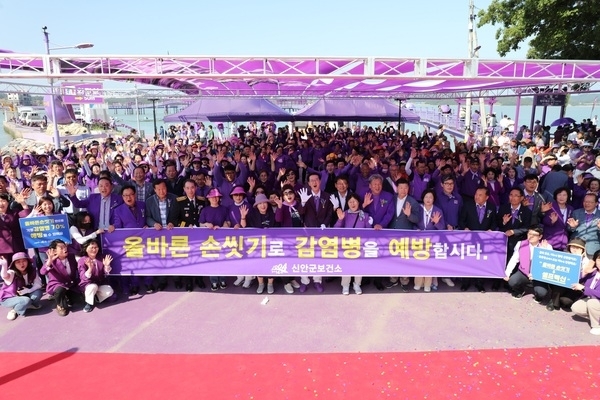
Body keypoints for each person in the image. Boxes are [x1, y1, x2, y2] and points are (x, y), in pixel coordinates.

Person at [458, 187, 498, 292]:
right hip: (469, 239)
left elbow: (494, 222)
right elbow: (461, 221)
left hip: (484, 240)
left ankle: (479, 283)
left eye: (480, 195)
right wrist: (465, 228)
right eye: (476, 194)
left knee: (481, 262)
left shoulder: (491, 207)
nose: (477, 196)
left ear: (487, 197)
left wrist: (491, 229)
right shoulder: (468, 205)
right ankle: (465, 283)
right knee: (468, 260)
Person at [168, 179, 206, 291]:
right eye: (188, 188)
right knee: (188, 258)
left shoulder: (202, 201)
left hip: (199, 234)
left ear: (196, 188)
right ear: (184, 189)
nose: (190, 190)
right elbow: (173, 220)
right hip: (184, 234)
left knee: (199, 257)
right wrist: (187, 225)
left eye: (192, 187)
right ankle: (189, 281)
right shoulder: (179, 201)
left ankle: (199, 279)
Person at [333, 192, 372, 295]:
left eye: (354, 201)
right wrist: (340, 219)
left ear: (359, 202)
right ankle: (345, 285)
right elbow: (336, 229)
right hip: (347, 245)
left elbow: (369, 230)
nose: (352, 203)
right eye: (350, 202)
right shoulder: (344, 214)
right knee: (347, 266)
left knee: (358, 266)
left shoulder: (365, 215)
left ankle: (357, 284)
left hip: (360, 245)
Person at [385, 178, 420, 292]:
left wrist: (409, 215)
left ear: (408, 189)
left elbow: (417, 219)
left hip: (405, 234)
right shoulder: (392, 199)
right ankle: (393, 279)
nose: (403, 190)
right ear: (397, 188)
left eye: (405, 188)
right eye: (401, 188)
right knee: (393, 258)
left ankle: (405, 281)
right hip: (392, 233)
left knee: (404, 259)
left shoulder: (412, 201)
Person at [240, 194, 278, 294]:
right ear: (256, 205)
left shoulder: (273, 215)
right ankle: (261, 284)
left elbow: (279, 228)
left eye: (264, 203)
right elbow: (244, 227)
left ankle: (270, 284)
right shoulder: (252, 216)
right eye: (260, 203)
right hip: (257, 245)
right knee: (258, 264)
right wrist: (243, 217)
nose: (262, 205)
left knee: (271, 264)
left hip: (270, 245)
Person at [503, 225, 553, 300]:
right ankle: (520, 290)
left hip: (538, 275)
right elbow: (514, 259)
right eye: (529, 234)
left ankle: (538, 296)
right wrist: (507, 273)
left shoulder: (547, 247)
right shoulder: (520, 244)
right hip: (524, 272)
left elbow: (549, 264)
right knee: (512, 281)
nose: (531, 236)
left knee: (541, 293)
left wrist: (544, 251)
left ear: (540, 237)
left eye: (534, 235)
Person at [145, 179, 177, 292]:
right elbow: (147, 217)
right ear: (154, 190)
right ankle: (162, 281)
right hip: (157, 234)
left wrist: (173, 222)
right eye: (158, 189)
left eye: (163, 188)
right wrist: (153, 224)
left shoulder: (174, 198)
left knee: (174, 257)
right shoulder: (149, 201)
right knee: (160, 258)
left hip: (172, 233)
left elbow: (178, 214)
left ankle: (177, 279)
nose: (161, 191)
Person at [199, 188, 230, 291]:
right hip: (209, 241)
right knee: (212, 261)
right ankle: (214, 281)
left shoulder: (224, 209)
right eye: (212, 197)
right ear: (208, 198)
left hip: (222, 239)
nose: (215, 199)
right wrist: (206, 224)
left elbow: (228, 223)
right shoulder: (205, 210)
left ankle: (222, 279)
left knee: (222, 260)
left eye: (216, 197)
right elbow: (200, 224)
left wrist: (223, 226)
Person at [414, 189, 445, 292]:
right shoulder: (418, 208)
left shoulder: (438, 210)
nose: (428, 199)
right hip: (418, 240)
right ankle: (418, 283)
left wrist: (436, 222)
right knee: (418, 262)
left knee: (429, 263)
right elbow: (412, 223)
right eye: (426, 197)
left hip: (432, 241)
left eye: (430, 197)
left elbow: (442, 228)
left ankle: (428, 285)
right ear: (423, 198)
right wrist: (415, 230)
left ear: (434, 199)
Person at [546, 238, 589, 312]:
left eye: (578, 248)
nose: (575, 250)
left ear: (583, 250)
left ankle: (561, 300)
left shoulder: (586, 262)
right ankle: (553, 302)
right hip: (561, 282)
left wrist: (579, 260)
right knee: (558, 285)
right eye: (573, 247)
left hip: (574, 286)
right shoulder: (564, 257)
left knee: (566, 302)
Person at [40, 239, 80, 317]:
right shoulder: (51, 261)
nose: (64, 249)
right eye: (61, 248)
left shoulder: (71, 256)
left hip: (70, 284)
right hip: (57, 285)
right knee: (60, 290)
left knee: (78, 300)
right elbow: (42, 272)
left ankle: (67, 296)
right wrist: (49, 261)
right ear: (54, 251)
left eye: (65, 247)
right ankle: (60, 305)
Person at [0, 253, 43, 320]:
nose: (22, 264)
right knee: (25, 301)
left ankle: (27, 305)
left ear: (28, 261)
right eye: (18, 262)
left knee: (38, 293)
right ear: (14, 264)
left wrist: (28, 290)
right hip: (9, 297)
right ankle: (14, 310)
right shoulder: (12, 272)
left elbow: (38, 284)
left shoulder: (32, 270)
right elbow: (5, 276)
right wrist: (4, 265)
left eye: (24, 261)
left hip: (24, 294)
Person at [77, 239, 114, 313]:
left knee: (110, 291)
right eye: (91, 247)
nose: (94, 249)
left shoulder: (101, 257)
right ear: (86, 249)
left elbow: (105, 273)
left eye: (96, 247)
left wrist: (107, 266)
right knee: (92, 287)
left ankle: (95, 297)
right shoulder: (82, 260)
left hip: (99, 283)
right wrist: (90, 268)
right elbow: (83, 277)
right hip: (87, 285)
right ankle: (89, 303)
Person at [571, 249, 600, 335]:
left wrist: (584, 288)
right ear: (595, 260)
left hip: (595, 301)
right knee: (576, 308)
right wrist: (584, 272)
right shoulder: (593, 271)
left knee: (592, 303)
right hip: (591, 299)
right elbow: (576, 280)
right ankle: (596, 316)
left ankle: (597, 326)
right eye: (599, 259)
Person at [567, 193, 600, 257]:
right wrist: (572, 227)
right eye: (585, 201)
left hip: (593, 249)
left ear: (596, 203)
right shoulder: (576, 212)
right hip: (575, 247)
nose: (587, 204)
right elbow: (568, 228)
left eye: (590, 202)